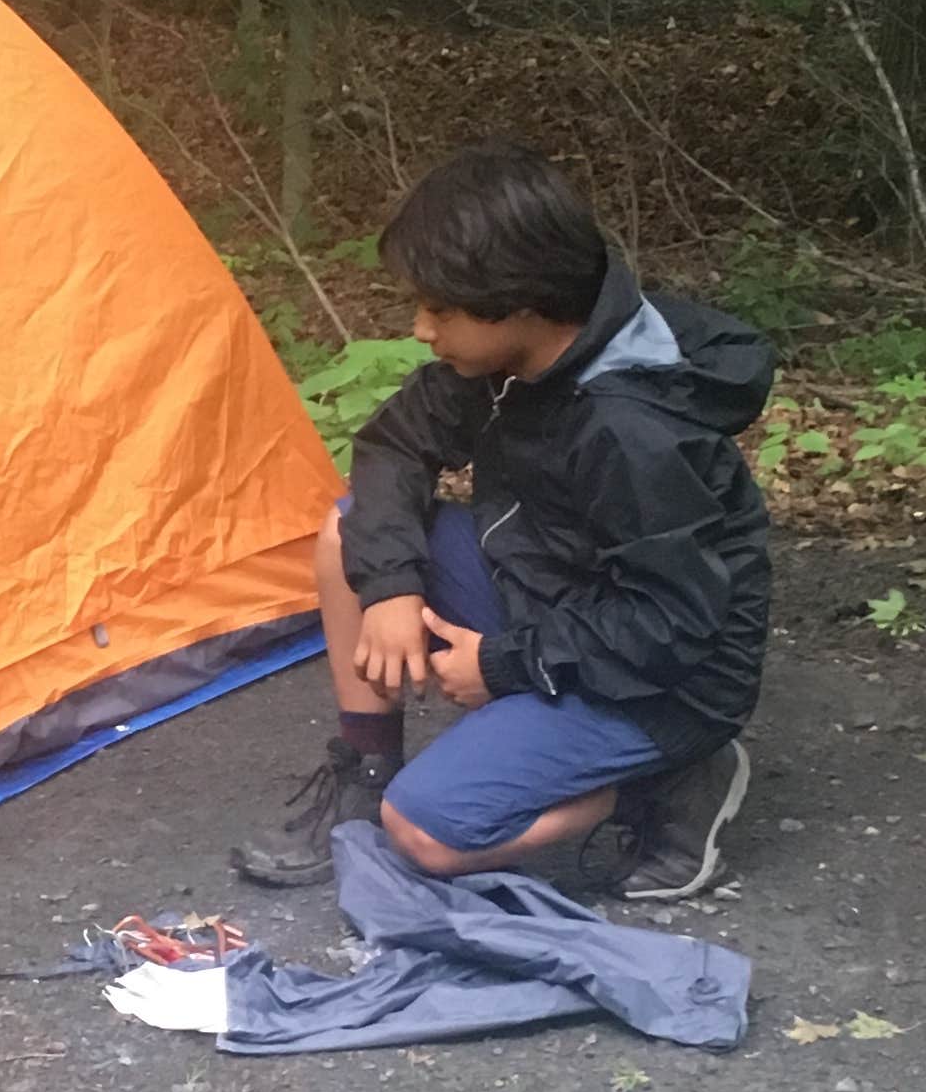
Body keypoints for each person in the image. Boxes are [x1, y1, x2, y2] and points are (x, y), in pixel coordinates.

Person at [233, 146, 772, 902]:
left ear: (517, 302)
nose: (421, 329)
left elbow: (675, 625)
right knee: (351, 529)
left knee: (425, 832)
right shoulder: (513, 359)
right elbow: (394, 445)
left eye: (440, 309)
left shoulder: (632, 430)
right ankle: (368, 765)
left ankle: (670, 784)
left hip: (668, 683)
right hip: (562, 597)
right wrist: (389, 590)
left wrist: (505, 666)